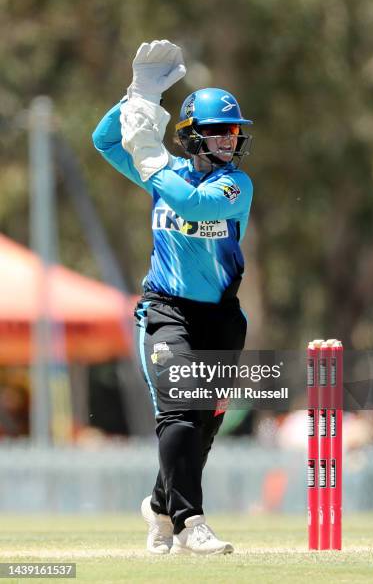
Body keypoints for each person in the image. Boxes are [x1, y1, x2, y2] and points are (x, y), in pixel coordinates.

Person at [92, 40, 253, 555]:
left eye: (234, 131)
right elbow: (103, 141)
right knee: (180, 412)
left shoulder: (234, 187)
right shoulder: (168, 174)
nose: (229, 140)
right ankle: (191, 523)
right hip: (166, 311)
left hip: (222, 319)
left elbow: (188, 200)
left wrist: (149, 159)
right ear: (191, 136)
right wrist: (138, 96)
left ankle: (160, 509)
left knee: (203, 427)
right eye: (217, 131)